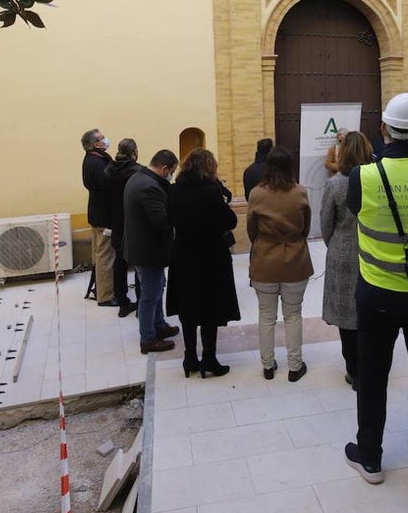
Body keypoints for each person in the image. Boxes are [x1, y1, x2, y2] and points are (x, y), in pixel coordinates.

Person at [345, 93, 408, 488]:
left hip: (377, 295)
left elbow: (357, 213)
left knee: (372, 376)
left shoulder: (362, 178)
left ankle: (369, 456)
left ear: (385, 129)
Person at [167, 149, 241, 378]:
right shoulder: (210, 192)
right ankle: (209, 359)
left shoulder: (174, 190)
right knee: (210, 308)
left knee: (188, 306)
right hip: (210, 256)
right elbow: (231, 220)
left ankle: (190, 358)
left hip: (183, 255)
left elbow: (169, 218)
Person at [247, 146, 314, 383]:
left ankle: (267, 365)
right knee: (293, 314)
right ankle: (295, 366)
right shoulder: (300, 192)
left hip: (264, 258)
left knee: (266, 315)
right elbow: (306, 227)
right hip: (295, 259)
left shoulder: (257, 193)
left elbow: (251, 229)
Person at [319, 131, 373, 388]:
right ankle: (368, 365)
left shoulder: (336, 184)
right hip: (373, 251)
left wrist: (335, 244)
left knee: (345, 315)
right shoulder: (376, 180)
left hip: (342, 253)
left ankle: (353, 369)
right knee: (368, 311)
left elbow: (325, 222)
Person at [123, 149, 181, 354]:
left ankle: (159, 324)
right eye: (171, 171)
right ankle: (148, 339)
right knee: (150, 295)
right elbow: (161, 222)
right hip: (147, 250)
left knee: (157, 288)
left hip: (142, 247)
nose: (171, 176)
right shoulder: (150, 187)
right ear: (164, 168)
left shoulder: (138, 178)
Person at [103, 138, 140, 317]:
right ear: (134, 152)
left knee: (119, 261)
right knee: (140, 262)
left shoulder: (108, 170)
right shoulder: (137, 171)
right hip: (134, 220)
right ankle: (142, 303)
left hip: (116, 219)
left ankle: (122, 301)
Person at [81, 128, 117, 306]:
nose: (106, 140)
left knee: (99, 253)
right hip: (104, 216)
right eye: (103, 138)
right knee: (105, 256)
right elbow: (107, 188)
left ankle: (101, 288)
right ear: (96, 144)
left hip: (97, 213)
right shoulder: (97, 163)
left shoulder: (93, 159)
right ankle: (106, 296)